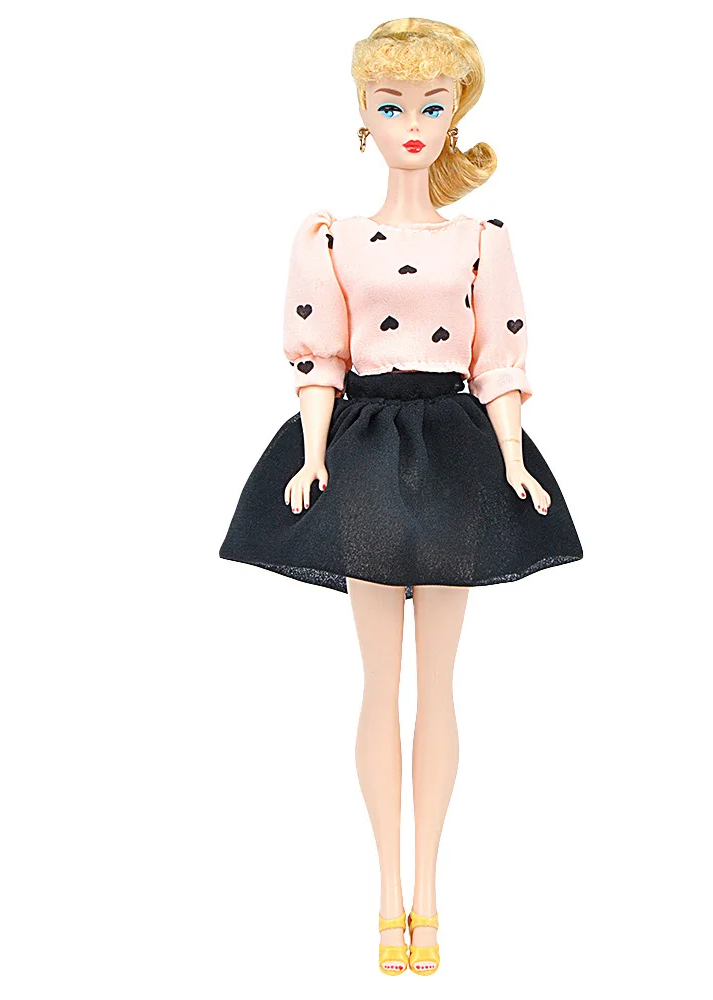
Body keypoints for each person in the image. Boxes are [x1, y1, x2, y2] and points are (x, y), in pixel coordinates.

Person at [219, 17, 583, 975]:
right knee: (379, 680)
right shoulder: (329, 237)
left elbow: (500, 356)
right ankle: (389, 890)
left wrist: (513, 458)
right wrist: (311, 455)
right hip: (368, 450)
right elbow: (320, 356)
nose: (412, 125)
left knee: (439, 683)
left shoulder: (482, 239)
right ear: (363, 115)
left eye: (430, 106)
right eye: (391, 107)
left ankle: (431, 886)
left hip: (457, 451)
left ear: (455, 112)